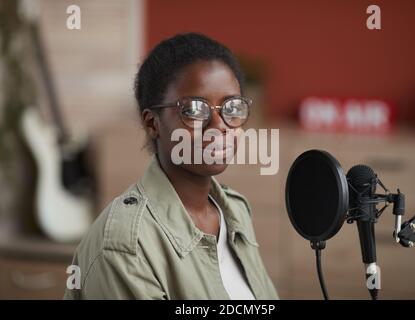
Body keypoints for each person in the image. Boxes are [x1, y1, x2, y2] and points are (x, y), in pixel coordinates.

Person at [63, 33, 279, 300]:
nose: (220, 126)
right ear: (153, 123)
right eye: (194, 110)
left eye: (231, 107)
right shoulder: (125, 246)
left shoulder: (235, 211)